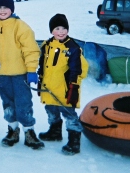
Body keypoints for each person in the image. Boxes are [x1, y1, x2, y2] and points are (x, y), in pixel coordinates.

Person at [0, 0, 44, 150]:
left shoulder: (21, 27)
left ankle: (29, 132)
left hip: (20, 74)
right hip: (2, 75)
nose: (2, 11)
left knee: (23, 103)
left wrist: (31, 70)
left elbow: (31, 50)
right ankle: (12, 130)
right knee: (8, 104)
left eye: (6, 7)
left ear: (12, 9)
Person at [36, 13, 88, 155]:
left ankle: (74, 141)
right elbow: (43, 64)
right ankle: (55, 132)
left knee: (69, 114)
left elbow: (79, 69)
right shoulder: (47, 45)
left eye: (64, 28)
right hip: (49, 87)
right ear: (51, 30)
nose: (61, 32)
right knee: (51, 110)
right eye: (57, 28)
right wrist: (40, 79)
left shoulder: (73, 48)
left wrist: (73, 86)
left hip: (66, 89)